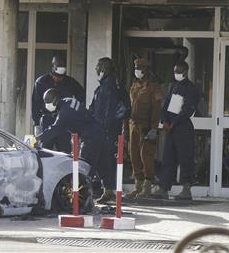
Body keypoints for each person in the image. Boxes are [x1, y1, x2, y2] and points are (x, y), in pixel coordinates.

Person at [151, 61, 199, 200]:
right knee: (168, 158)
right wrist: (164, 120)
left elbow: (188, 109)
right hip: (171, 127)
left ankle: (186, 189)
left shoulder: (191, 89)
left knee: (185, 158)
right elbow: (166, 105)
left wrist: (175, 122)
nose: (176, 73)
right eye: (175, 71)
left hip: (183, 127)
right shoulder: (174, 86)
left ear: (185, 72)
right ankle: (163, 188)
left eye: (179, 71)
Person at [89, 57, 130, 204]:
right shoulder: (112, 87)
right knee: (106, 162)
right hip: (109, 131)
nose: (96, 69)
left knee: (106, 162)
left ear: (104, 69)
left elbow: (105, 112)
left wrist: (103, 128)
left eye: (98, 66)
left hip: (106, 132)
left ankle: (109, 190)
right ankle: (108, 190)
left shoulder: (109, 88)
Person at [125, 58, 163, 199]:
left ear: (146, 70)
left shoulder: (153, 87)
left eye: (139, 67)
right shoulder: (134, 85)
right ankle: (138, 185)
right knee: (133, 154)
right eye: (136, 67)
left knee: (146, 156)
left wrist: (154, 128)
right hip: (133, 124)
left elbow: (156, 109)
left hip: (146, 126)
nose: (137, 70)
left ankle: (147, 185)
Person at [31, 55, 85, 152]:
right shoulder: (41, 82)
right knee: (45, 151)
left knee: (64, 151)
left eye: (61, 78)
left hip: (64, 121)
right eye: (56, 77)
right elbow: (35, 104)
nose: (58, 79)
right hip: (47, 119)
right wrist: (36, 123)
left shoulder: (70, 82)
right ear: (53, 68)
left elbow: (82, 96)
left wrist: (76, 115)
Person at [38, 88, 101, 167]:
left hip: (90, 137)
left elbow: (55, 129)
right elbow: (78, 118)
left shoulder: (64, 112)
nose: (46, 105)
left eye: (48, 102)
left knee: (84, 166)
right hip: (96, 131)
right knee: (96, 165)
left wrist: (38, 138)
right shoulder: (68, 101)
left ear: (55, 101)